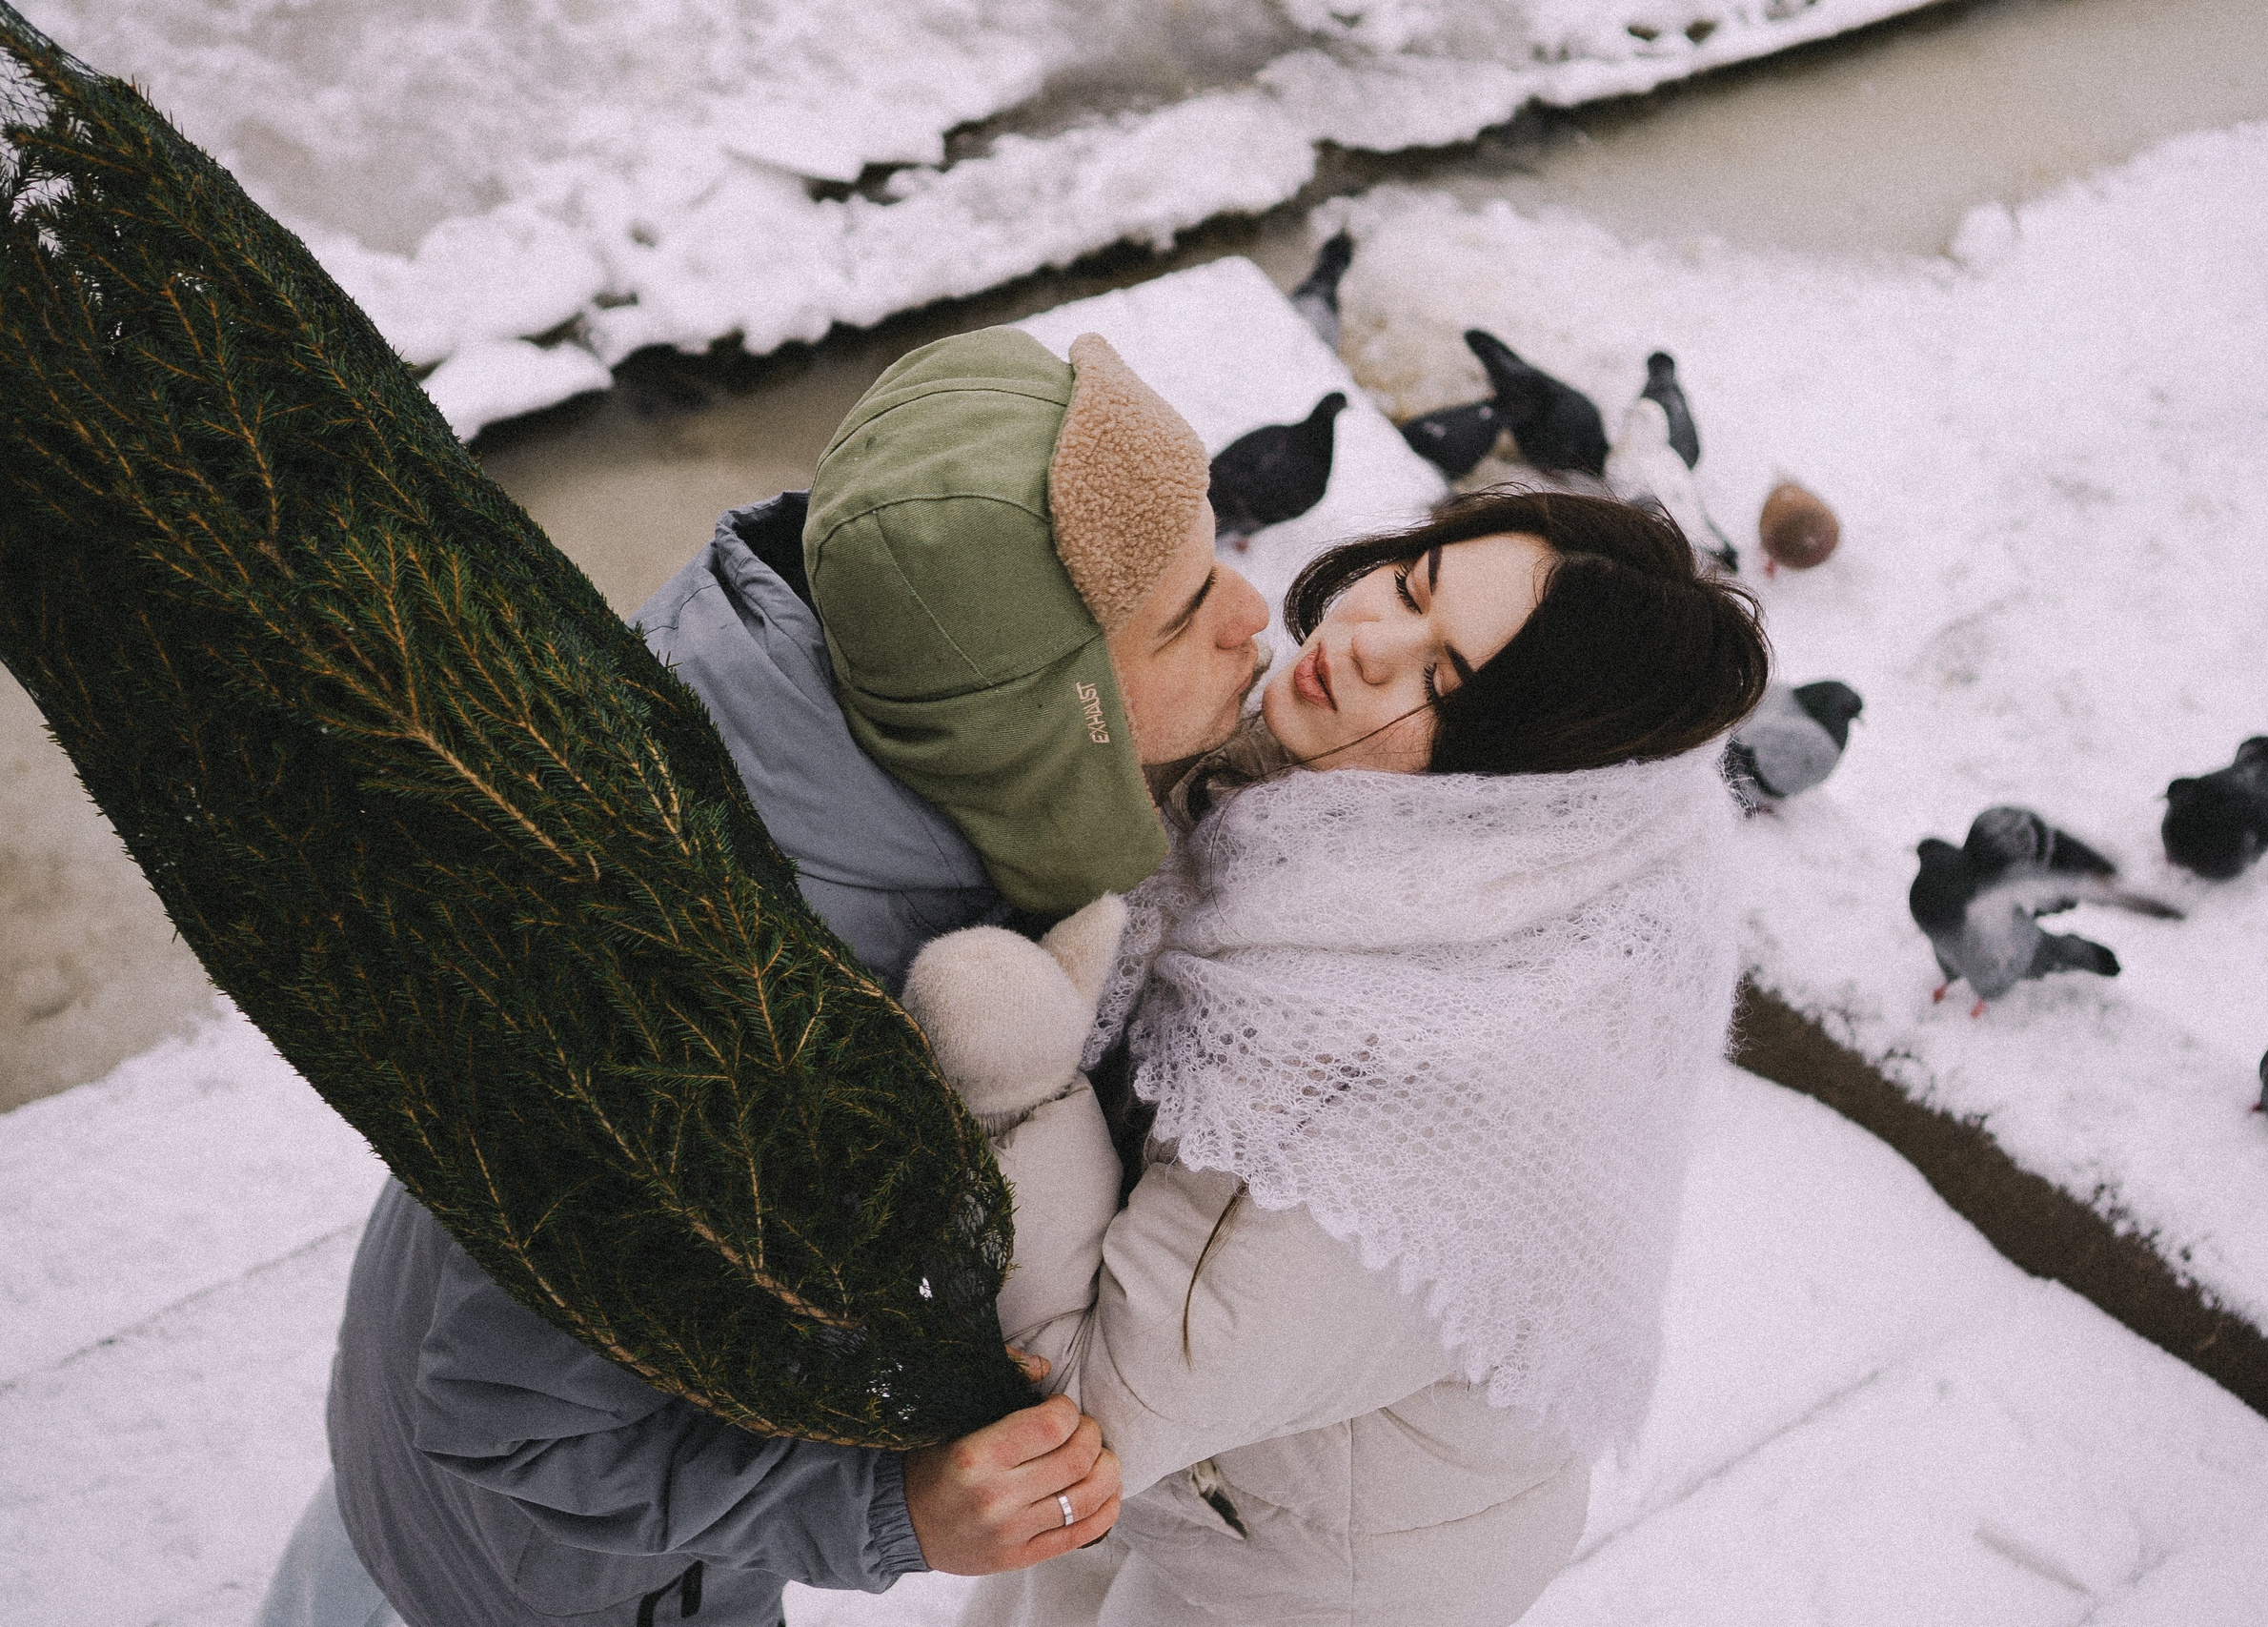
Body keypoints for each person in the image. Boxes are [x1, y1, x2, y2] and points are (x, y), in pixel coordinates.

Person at [257, 326, 1270, 1627]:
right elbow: (513, 1427)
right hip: (506, 1582)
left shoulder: (795, 731)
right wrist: (885, 1509)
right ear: (1037, 722)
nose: (1254, 612)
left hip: (409, 1465)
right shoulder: (716, 1018)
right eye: (1186, 613)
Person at [900, 486, 1771, 1627]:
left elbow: (1086, 1414)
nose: (1362, 642)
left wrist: (1018, 1084)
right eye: (1409, 585)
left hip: (1318, 1572)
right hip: (1249, 1456)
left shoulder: (1366, 1099)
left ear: (1515, 780)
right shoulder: (1489, 840)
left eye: (1440, 680)